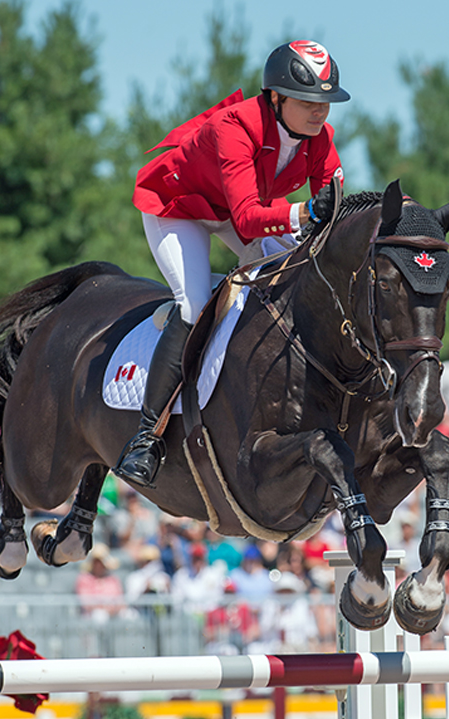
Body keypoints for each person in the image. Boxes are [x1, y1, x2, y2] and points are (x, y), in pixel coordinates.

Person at [114, 40, 350, 487]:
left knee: (294, 275)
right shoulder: (234, 128)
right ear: (276, 98)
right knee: (195, 303)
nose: (320, 112)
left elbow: (332, 210)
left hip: (236, 210)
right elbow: (249, 218)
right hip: (177, 208)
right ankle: (145, 438)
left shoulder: (320, 140)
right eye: (308, 101)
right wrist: (304, 212)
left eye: (325, 102)